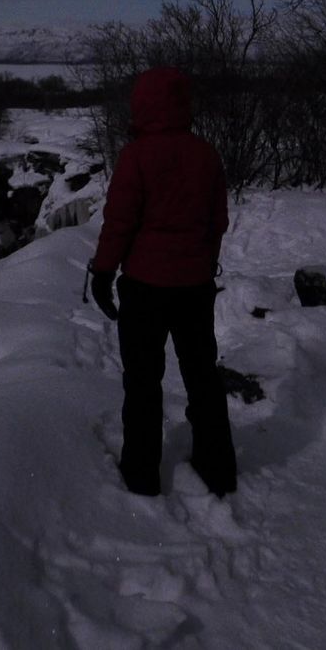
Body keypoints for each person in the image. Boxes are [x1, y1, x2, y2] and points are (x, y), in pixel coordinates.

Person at [86, 66, 235, 498]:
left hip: (144, 287)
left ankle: (141, 475)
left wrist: (102, 272)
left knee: (143, 382)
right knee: (202, 376)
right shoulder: (205, 154)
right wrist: (204, 261)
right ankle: (218, 470)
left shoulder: (136, 156)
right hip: (194, 286)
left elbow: (120, 223)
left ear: (143, 105)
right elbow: (217, 220)